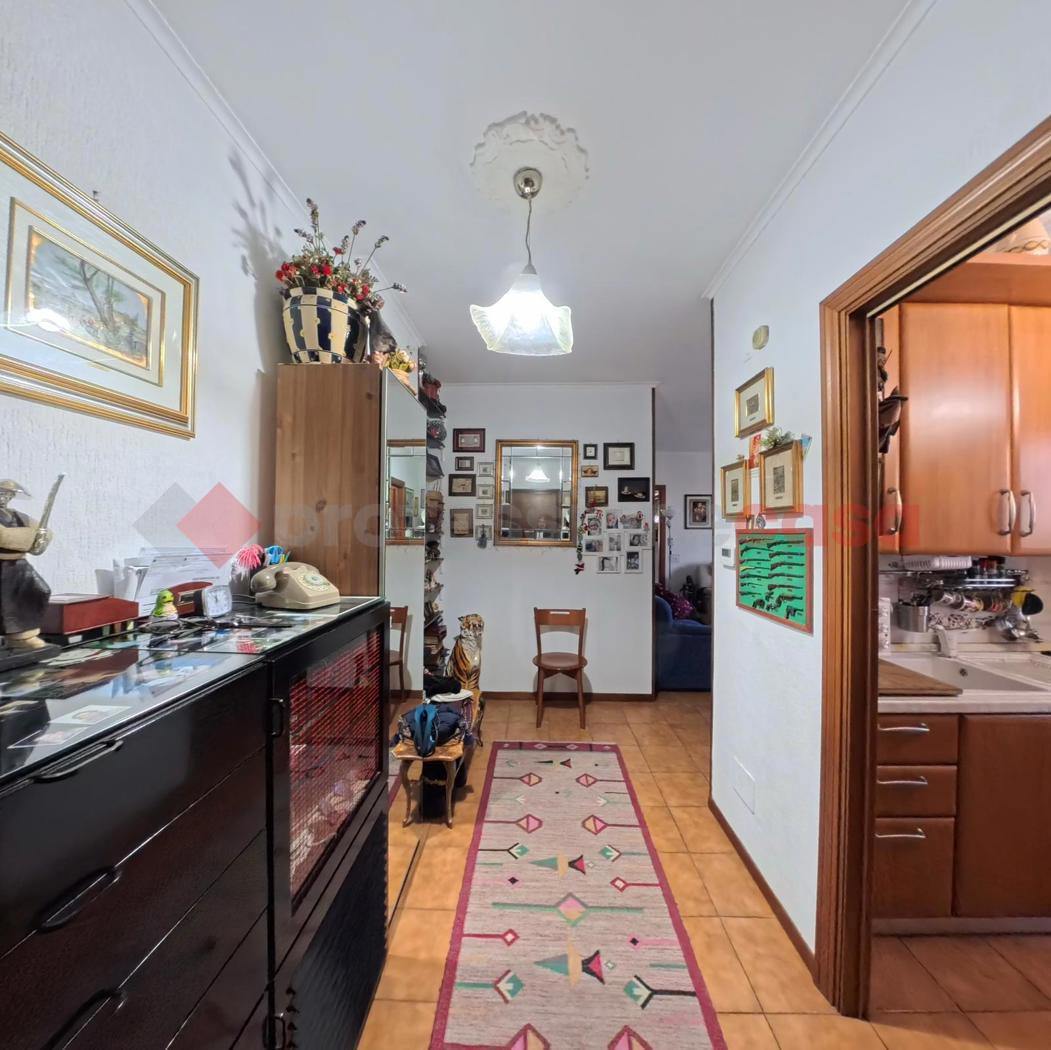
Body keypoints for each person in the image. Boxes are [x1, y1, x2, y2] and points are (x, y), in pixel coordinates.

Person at [0, 480, 53, 650]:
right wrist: (30, 537)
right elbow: (3, 536)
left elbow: (45, 533)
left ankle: (23, 636)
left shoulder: (18, 516)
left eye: (8, 494)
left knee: (40, 590)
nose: (4, 497)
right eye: (1, 493)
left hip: (19, 564)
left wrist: (37, 538)